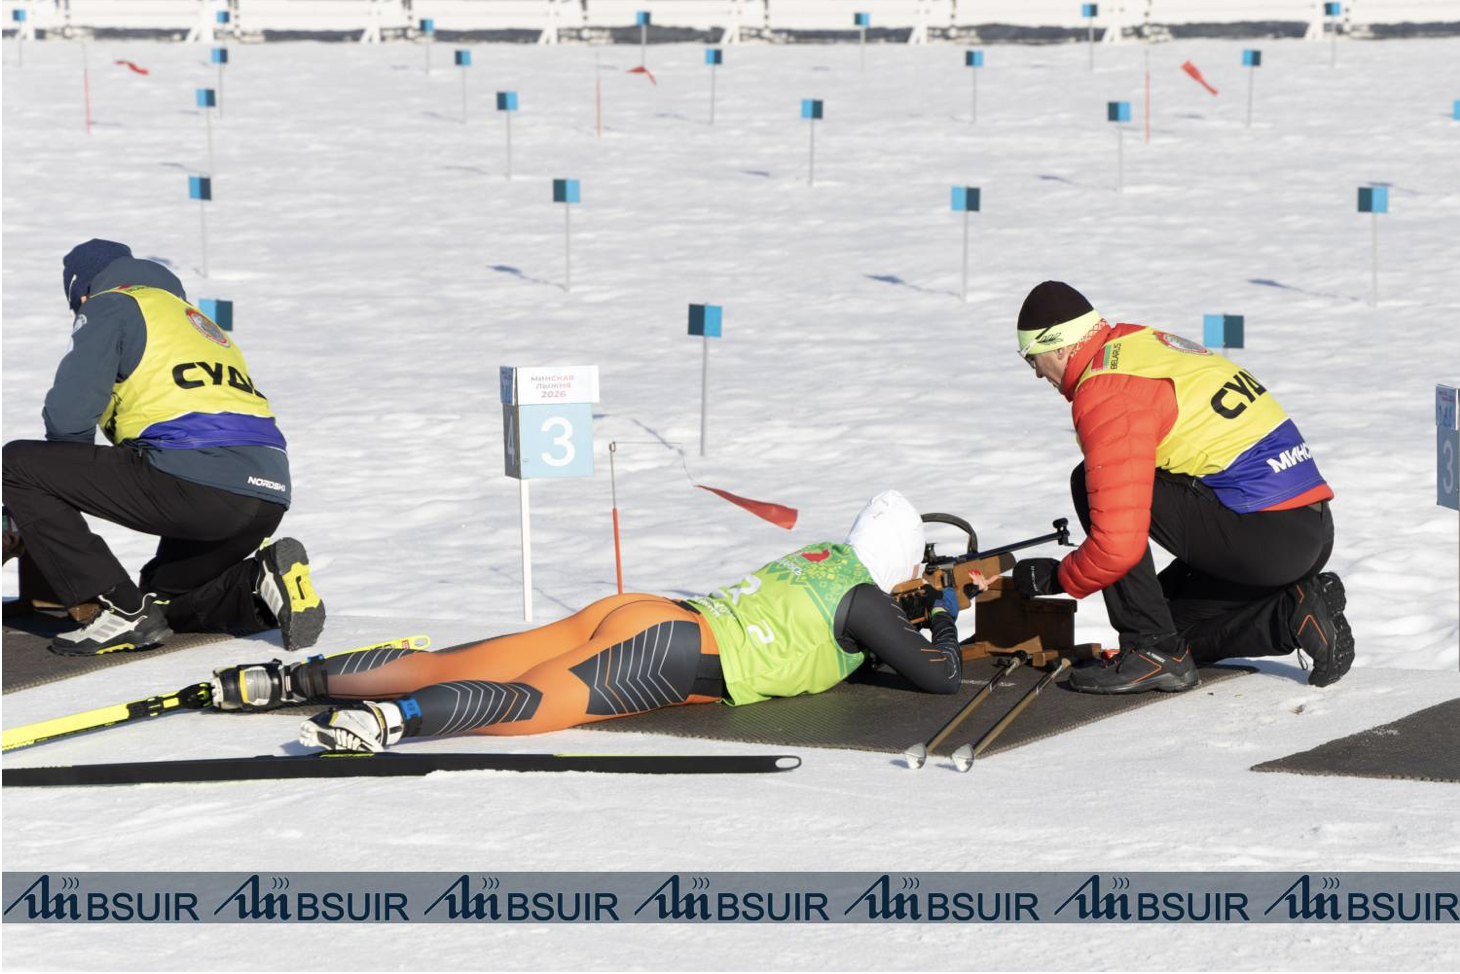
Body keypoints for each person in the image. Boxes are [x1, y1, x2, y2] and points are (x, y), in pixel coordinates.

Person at [207, 490, 976, 752]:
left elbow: (841, 633)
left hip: (644, 612)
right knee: (530, 703)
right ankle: (390, 722)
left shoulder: (823, 557)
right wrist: (942, 614)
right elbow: (939, 678)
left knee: (456, 661)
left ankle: (284, 681)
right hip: (672, 653)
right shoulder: (868, 600)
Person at [1007, 281, 1352, 694]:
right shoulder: (1137, 342)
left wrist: (1058, 578)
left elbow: (1118, 545)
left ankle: (1151, 652)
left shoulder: (1106, 391)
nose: (1035, 373)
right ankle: (1296, 613)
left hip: (1268, 535)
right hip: (1308, 529)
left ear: (1060, 346)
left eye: (1032, 358)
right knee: (1169, 624)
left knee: (1091, 482)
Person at [1, 239, 324, 655]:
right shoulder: (194, 321)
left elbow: (69, 414)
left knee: (16, 465)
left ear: (82, 292)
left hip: (196, 479)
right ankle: (258, 582)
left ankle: (116, 610)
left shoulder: (109, 304)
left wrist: (51, 491)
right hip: (266, 495)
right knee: (161, 603)